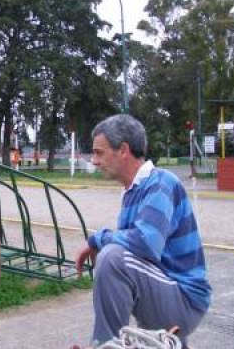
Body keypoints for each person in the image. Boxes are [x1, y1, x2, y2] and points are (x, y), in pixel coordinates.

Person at [75, 114, 211, 348]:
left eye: (99, 152)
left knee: (112, 259)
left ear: (123, 150)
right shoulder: (134, 190)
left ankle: (104, 344)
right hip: (170, 289)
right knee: (114, 256)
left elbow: (146, 243)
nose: (94, 161)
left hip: (185, 299)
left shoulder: (160, 182)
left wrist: (98, 239)